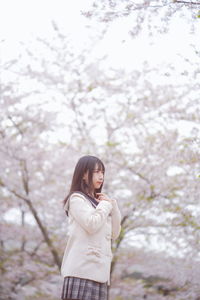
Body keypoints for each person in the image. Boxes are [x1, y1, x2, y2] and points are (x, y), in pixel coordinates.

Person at [60, 155, 121, 300]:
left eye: (102, 172)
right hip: (81, 272)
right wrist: (106, 206)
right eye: (96, 172)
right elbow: (91, 224)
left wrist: (114, 207)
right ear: (84, 174)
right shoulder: (77, 199)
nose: (101, 176)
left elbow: (114, 234)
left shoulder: (99, 204)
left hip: (99, 274)